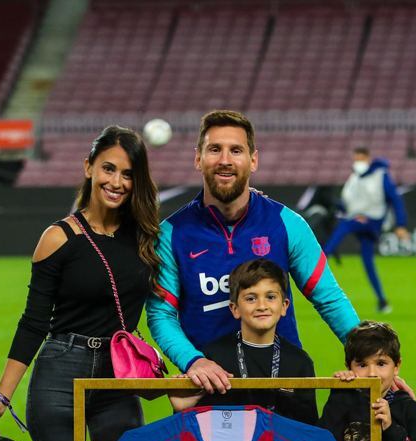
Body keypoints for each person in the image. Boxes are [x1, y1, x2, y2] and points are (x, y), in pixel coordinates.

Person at [0, 126, 160, 441]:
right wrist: (4, 396)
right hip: (59, 374)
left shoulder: (145, 238)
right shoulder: (58, 238)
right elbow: (32, 323)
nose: (116, 182)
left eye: (128, 174)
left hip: (117, 380)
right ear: (88, 168)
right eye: (108, 169)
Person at [146, 109, 361, 395]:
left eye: (236, 150)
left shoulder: (287, 224)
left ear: (253, 160)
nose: (225, 160)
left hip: (282, 388)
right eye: (214, 150)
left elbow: (329, 298)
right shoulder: (171, 234)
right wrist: (194, 362)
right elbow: (161, 314)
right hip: (211, 392)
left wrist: (368, 356)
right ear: (198, 158)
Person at [171, 258, 318, 425]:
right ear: (235, 309)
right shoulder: (213, 360)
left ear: (284, 306)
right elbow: (194, 430)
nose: (262, 305)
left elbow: (310, 432)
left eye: (270, 297)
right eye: (250, 299)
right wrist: (181, 409)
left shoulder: (300, 362)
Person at [323, 146, 410, 313]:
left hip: (372, 221)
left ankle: (320, 258)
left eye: (361, 159)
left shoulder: (381, 175)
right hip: (359, 220)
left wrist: (400, 225)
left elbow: (395, 200)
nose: (358, 162)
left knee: (344, 227)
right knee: (368, 262)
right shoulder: (355, 177)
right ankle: (382, 301)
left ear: (368, 159)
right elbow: (350, 203)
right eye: (356, 159)